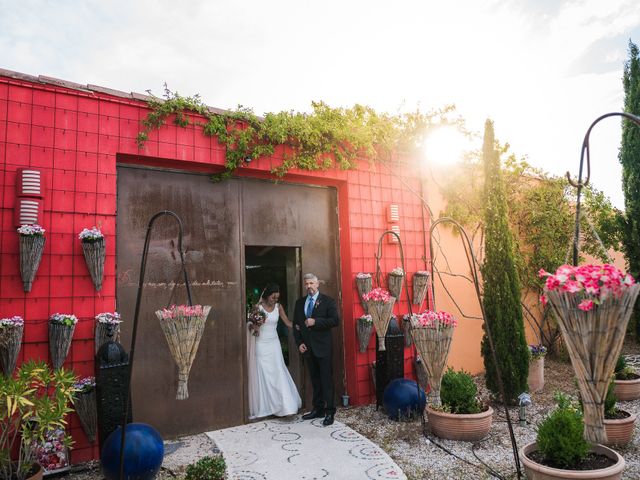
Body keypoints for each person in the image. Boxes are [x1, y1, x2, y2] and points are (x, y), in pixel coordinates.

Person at [247, 283, 302, 419]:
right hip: (261, 344)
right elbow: (251, 328)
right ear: (267, 296)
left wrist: (298, 326)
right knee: (264, 373)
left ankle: (286, 407)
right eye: (273, 297)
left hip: (274, 344)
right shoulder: (258, 308)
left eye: (277, 298)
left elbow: (287, 322)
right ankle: (267, 406)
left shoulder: (278, 307)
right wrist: (255, 327)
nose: (275, 300)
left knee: (278, 371)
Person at [293, 273, 340, 426]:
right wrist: (299, 342)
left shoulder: (328, 301)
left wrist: (316, 322)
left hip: (323, 348)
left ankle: (330, 412)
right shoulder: (300, 303)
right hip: (308, 349)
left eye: (312, 283)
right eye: (307, 284)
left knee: (326, 380)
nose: (309, 286)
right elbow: (296, 325)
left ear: (318, 284)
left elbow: (335, 321)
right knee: (315, 380)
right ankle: (318, 409)